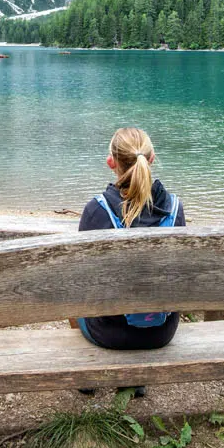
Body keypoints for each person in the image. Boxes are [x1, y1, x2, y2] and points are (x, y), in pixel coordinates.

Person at [71, 127, 186, 360]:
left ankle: (88, 367)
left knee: (75, 296)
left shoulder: (96, 210)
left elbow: (80, 278)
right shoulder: (174, 209)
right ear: (151, 159)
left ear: (111, 162)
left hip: (110, 333)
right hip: (162, 332)